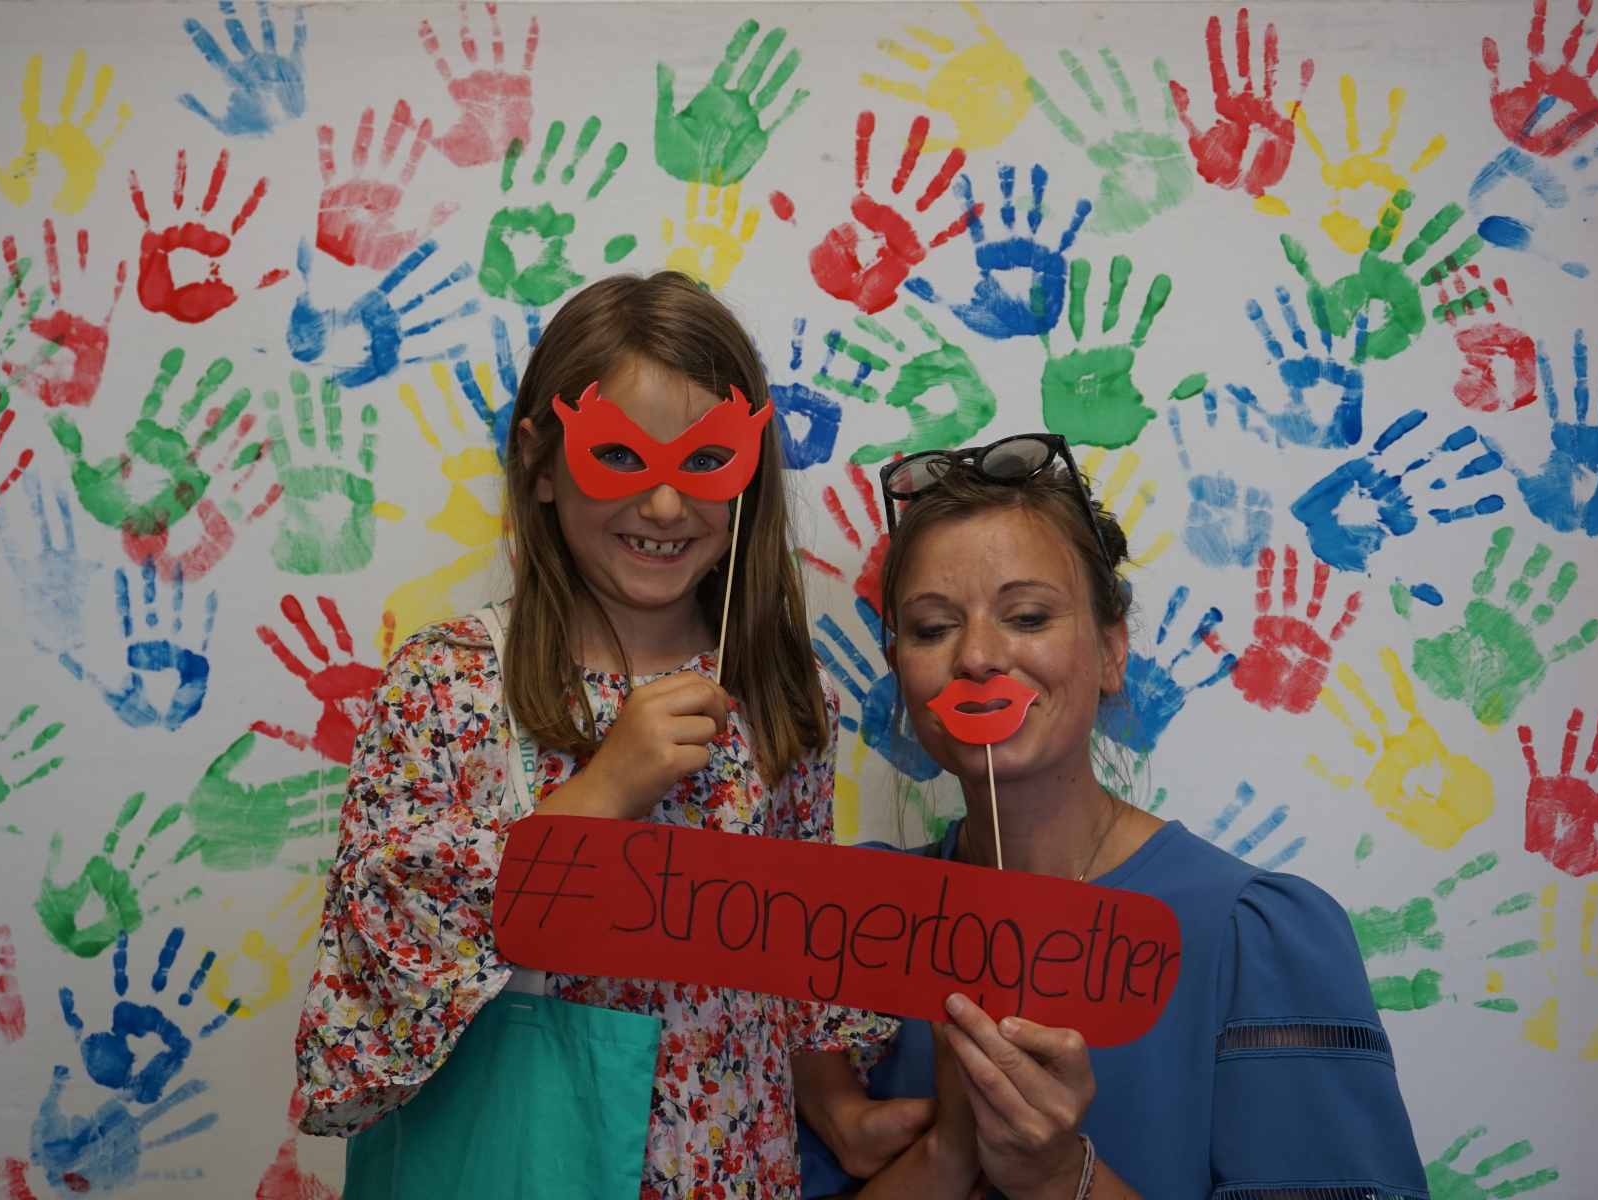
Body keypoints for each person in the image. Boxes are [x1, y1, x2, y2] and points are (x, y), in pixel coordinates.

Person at [294, 271, 893, 1198]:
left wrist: (844, 1114)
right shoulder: (447, 684)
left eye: (705, 462)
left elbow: (789, 962)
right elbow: (379, 961)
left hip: (728, 1171)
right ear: (541, 463)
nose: (665, 506)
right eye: (620, 456)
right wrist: (604, 792)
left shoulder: (783, 695)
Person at [793, 434, 1429, 1199]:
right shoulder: (846, 927)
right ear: (900, 670)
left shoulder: (1250, 938)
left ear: (1111, 650)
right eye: (932, 629)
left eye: (1028, 616)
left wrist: (1062, 1175)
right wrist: (945, 1154)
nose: (977, 657)